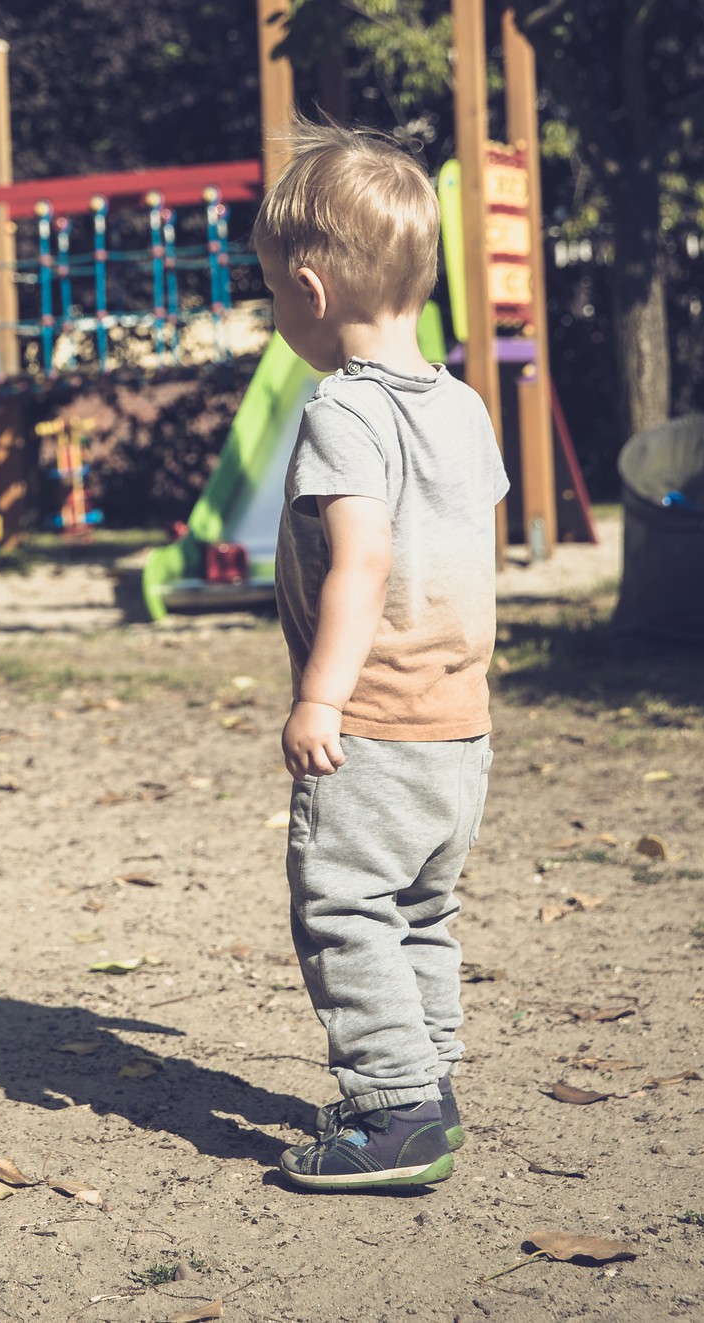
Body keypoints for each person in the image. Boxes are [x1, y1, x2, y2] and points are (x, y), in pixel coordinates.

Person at [252, 117, 508, 1191]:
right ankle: (429, 1080)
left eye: (270, 292)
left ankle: (393, 1110)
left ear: (308, 290)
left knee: (344, 907)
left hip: (377, 721)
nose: (274, 311)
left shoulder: (341, 413)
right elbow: (471, 548)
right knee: (420, 909)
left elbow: (359, 563)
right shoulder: (460, 405)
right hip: (459, 722)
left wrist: (323, 699)